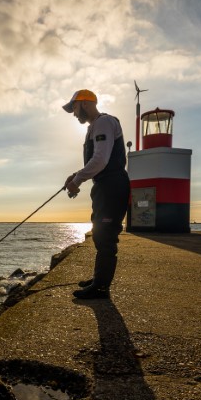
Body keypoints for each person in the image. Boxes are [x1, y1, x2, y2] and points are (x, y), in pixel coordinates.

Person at [62, 89, 130, 299]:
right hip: (104, 186)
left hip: (112, 186)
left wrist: (77, 180)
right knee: (100, 233)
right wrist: (76, 175)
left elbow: (100, 160)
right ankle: (99, 279)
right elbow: (98, 161)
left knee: (106, 236)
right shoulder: (94, 128)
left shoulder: (103, 122)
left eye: (73, 107)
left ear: (84, 103)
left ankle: (101, 288)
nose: (73, 113)